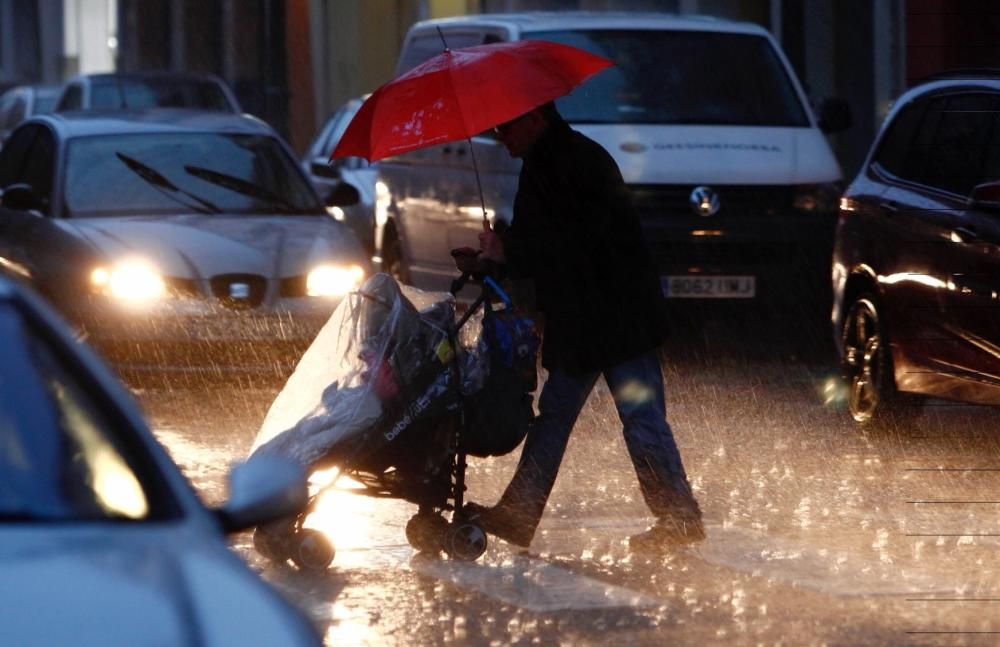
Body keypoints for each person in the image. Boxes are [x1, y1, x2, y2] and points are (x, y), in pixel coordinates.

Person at [454, 101, 703, 551]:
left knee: (639, 418)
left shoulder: (577, 162)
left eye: (505, 124)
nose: (500, 134)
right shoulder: (545, 163)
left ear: (534, 119)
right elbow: (543, 244)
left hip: (618, 318)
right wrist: (500, 253)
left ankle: (679, 518)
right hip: (589, 318)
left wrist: (506, 252)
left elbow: (569, 246)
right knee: (559, 417)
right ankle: (522, 511)